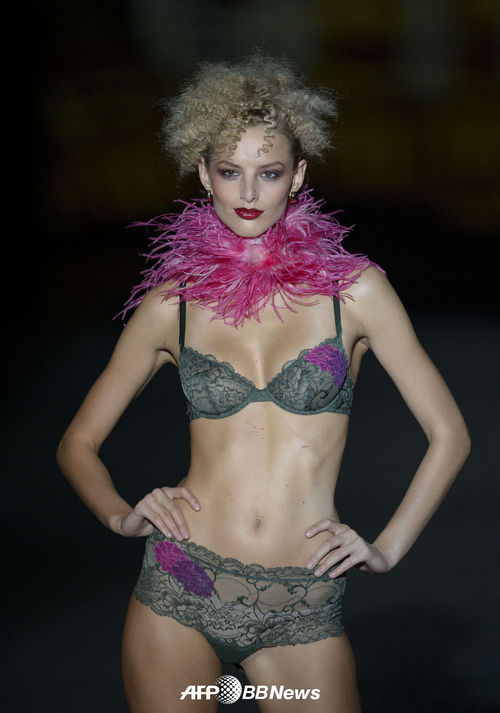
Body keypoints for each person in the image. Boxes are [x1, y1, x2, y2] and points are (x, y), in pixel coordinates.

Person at [57, 55, 470, 713]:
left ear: (297, 176)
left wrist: (387, 549)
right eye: (230, 171)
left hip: (302, 601)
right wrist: (120, 513)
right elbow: (77, 442)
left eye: (269, 172)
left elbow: (449, 434)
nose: (248, 191)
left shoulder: (354, 293)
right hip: (180, 585)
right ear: (204, 173)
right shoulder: (172, 305)